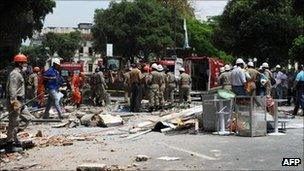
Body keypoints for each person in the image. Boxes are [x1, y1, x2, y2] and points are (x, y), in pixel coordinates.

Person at [5, 54, 28, 152]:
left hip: (20, 100)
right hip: (16, 100)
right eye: (24, 63)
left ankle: (14, 138)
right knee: (13, 122)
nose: (25, 65)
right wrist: (14, 102)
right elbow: (12, 89)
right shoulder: (15, 74)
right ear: (19, 63)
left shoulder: (19, 73)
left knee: (27, 118)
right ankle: (9, 144)